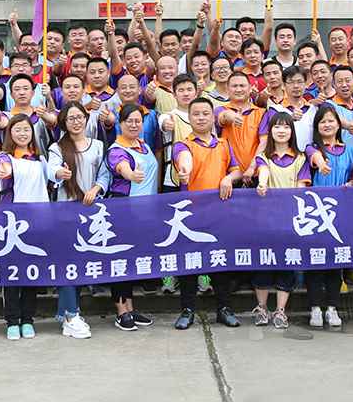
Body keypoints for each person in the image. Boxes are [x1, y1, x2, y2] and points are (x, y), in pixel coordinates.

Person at [169, 97, 242, 330]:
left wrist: (228, 178)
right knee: (189, 263)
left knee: (220, 261)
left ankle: (224, 308)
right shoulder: (183, 145)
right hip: (191, 214)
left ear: (213, 117)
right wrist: (185, 171)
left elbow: (237, 170)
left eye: (205, 114)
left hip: (219, 212)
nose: (201, 118)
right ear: (189, 118)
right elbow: (184, 161)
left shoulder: (223, 144)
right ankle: (187, 310)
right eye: (196, 114)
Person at [98, 103, 162, 332]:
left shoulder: (143, 145)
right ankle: (121, 311)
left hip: (145, 213)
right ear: (120, 123)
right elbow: (121, 167)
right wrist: (131, 174)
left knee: (133, 261)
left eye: (138, 121)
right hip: (124, 212)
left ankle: (131, 308)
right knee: (120, 261)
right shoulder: (117, 149)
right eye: (129, 121)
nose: (134, 125)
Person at [44, 103, 101, 339]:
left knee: (81, 263)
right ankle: (71, 314)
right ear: (64, 123)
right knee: (67, 263)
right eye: (71, 118)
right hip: (65, 212)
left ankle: (68, 314)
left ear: (86, 119)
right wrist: (59, 173)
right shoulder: (57, 147)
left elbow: (105, 173)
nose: (76, 122)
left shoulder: (97, 145)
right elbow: (51, 169)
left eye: (79, 117)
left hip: (90, 212)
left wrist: (97, 188)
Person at [0, 114, 50, 338]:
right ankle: (12, 320)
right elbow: (3, 170)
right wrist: (5, 171)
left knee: (31, 271)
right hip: (13, 222)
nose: (22, 133)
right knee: (12, 272)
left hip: (36, 221)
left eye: (26, 129)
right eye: (17, 130)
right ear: (10, 133)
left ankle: (28, 319)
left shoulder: (39, 158)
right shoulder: (4, 157)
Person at [252, 112, 309, 330]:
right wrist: (262, 184)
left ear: (292, 131)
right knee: (263, 263)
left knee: (286, 264)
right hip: (265, 220)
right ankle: (261, 308)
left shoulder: (301, 158)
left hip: (290, 220)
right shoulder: (263, 157)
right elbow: (263, 172)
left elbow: (301, 188)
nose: (281, 131)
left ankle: (280, 311)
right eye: (277, 127)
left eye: (286, 127)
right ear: (271, 131)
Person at [304, 104, 353, 329]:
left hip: (341, 212)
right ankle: (315, 307)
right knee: (315, 261)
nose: (327, 125)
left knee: (336, 262)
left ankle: (332, 308)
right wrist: (321, 162)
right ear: (316, 126)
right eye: (322, 121)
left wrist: (351, 183)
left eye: (331, 121)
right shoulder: (311, 148)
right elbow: (314, 156)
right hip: (316, 213)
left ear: (338, 124)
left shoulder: (349, 150)